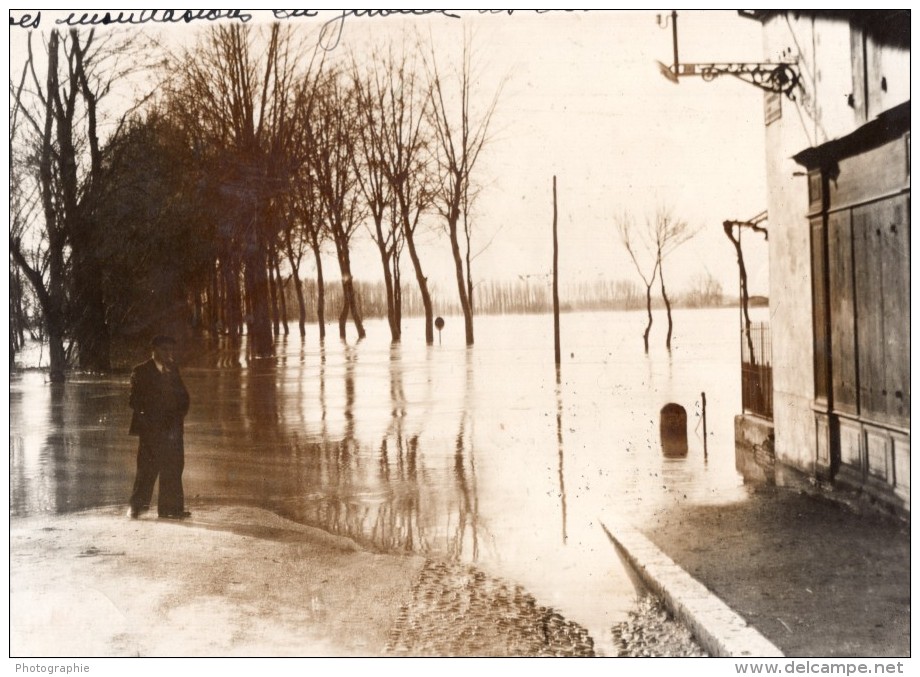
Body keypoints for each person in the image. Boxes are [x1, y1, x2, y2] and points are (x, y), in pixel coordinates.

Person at [127, 335, 191, 519]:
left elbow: (183, 396)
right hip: (151, 429)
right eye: (164, 349)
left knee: (174, 467)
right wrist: (152, 418)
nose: (168, 353)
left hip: (173, 430)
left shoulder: (172, 369)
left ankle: (171, 509)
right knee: (147, 469)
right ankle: (137, 508)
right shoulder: (140, 371)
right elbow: (134, 401)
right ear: (154, 350)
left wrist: (179, 415)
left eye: (170, 350)